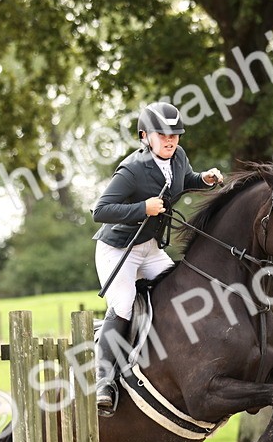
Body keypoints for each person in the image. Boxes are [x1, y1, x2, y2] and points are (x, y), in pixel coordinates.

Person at [91, 101, 224, 415]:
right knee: (123, 303)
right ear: (144, 136)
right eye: (162, 134)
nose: (170, 140)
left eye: (175, 135)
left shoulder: (178, 158)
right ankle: (103, 380)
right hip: (118, 250)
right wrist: (142, 209)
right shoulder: (132, 170)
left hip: (149, 247)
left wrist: (202, 179)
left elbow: (183, 180)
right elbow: (100, 211)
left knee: (181, 288)